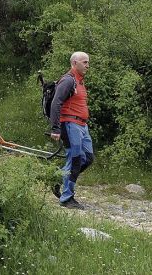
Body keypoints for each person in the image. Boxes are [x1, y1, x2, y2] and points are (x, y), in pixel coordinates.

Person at [49, 51, 95, 210]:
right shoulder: (68, 81)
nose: (87, 65)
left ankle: (59, 178)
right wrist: (55, 128)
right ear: (74, 63)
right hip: (70, 124)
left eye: (88, 62)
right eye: (84, 62)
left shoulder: (80, 81)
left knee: (88, 158)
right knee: (75, 159)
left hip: (82, 125)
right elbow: (56, 103)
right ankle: (67, 198)